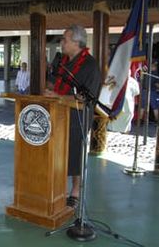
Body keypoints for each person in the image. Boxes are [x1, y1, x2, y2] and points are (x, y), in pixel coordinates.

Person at [45, 25, 101, 209]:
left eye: (64, 40)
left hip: (77, 116)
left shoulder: (90, 65)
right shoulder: (63, 62)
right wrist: (49, 90)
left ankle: (75, 192)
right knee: (56, 151)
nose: (61, 43)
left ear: (76, 43)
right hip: (58, 113)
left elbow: (86, 96)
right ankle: (57, 187)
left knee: (75, 153)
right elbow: (55, 83)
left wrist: (60, 97)